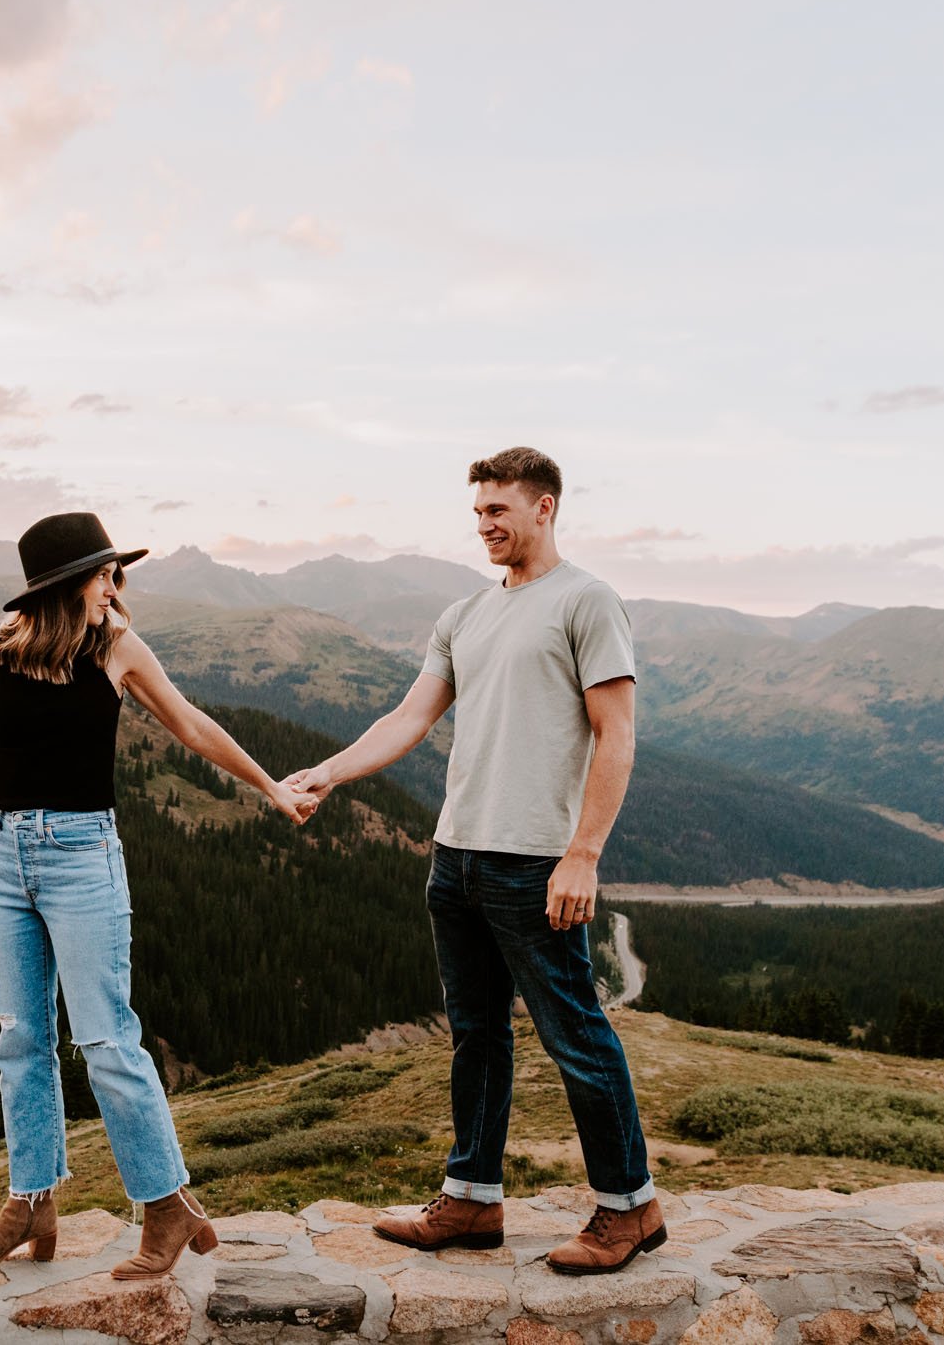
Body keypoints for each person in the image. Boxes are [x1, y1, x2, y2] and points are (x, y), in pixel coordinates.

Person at [286, 447, 662, 1275]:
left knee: (575, 1033)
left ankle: (630, 1208)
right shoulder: (463, 616)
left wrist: (583, 855)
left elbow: (618, 735)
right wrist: (329, 770)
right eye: (479, 514)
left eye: (500, 511)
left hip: (535, 863)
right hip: (455, 857)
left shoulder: (588, 601)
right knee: (475, 1035)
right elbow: (409, 717)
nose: (486, 526)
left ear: (546, 507)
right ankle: (471, 1199)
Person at [0, 511, 317, 1280]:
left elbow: (191, 725)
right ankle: (30, 1201)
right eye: (104, 574)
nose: (113, 586)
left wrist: (268, 785)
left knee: (105, 1038)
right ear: (68, 582)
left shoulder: (117, 649)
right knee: (20, 1038)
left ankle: (165, 1204)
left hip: (83, 857)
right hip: (7, 859)